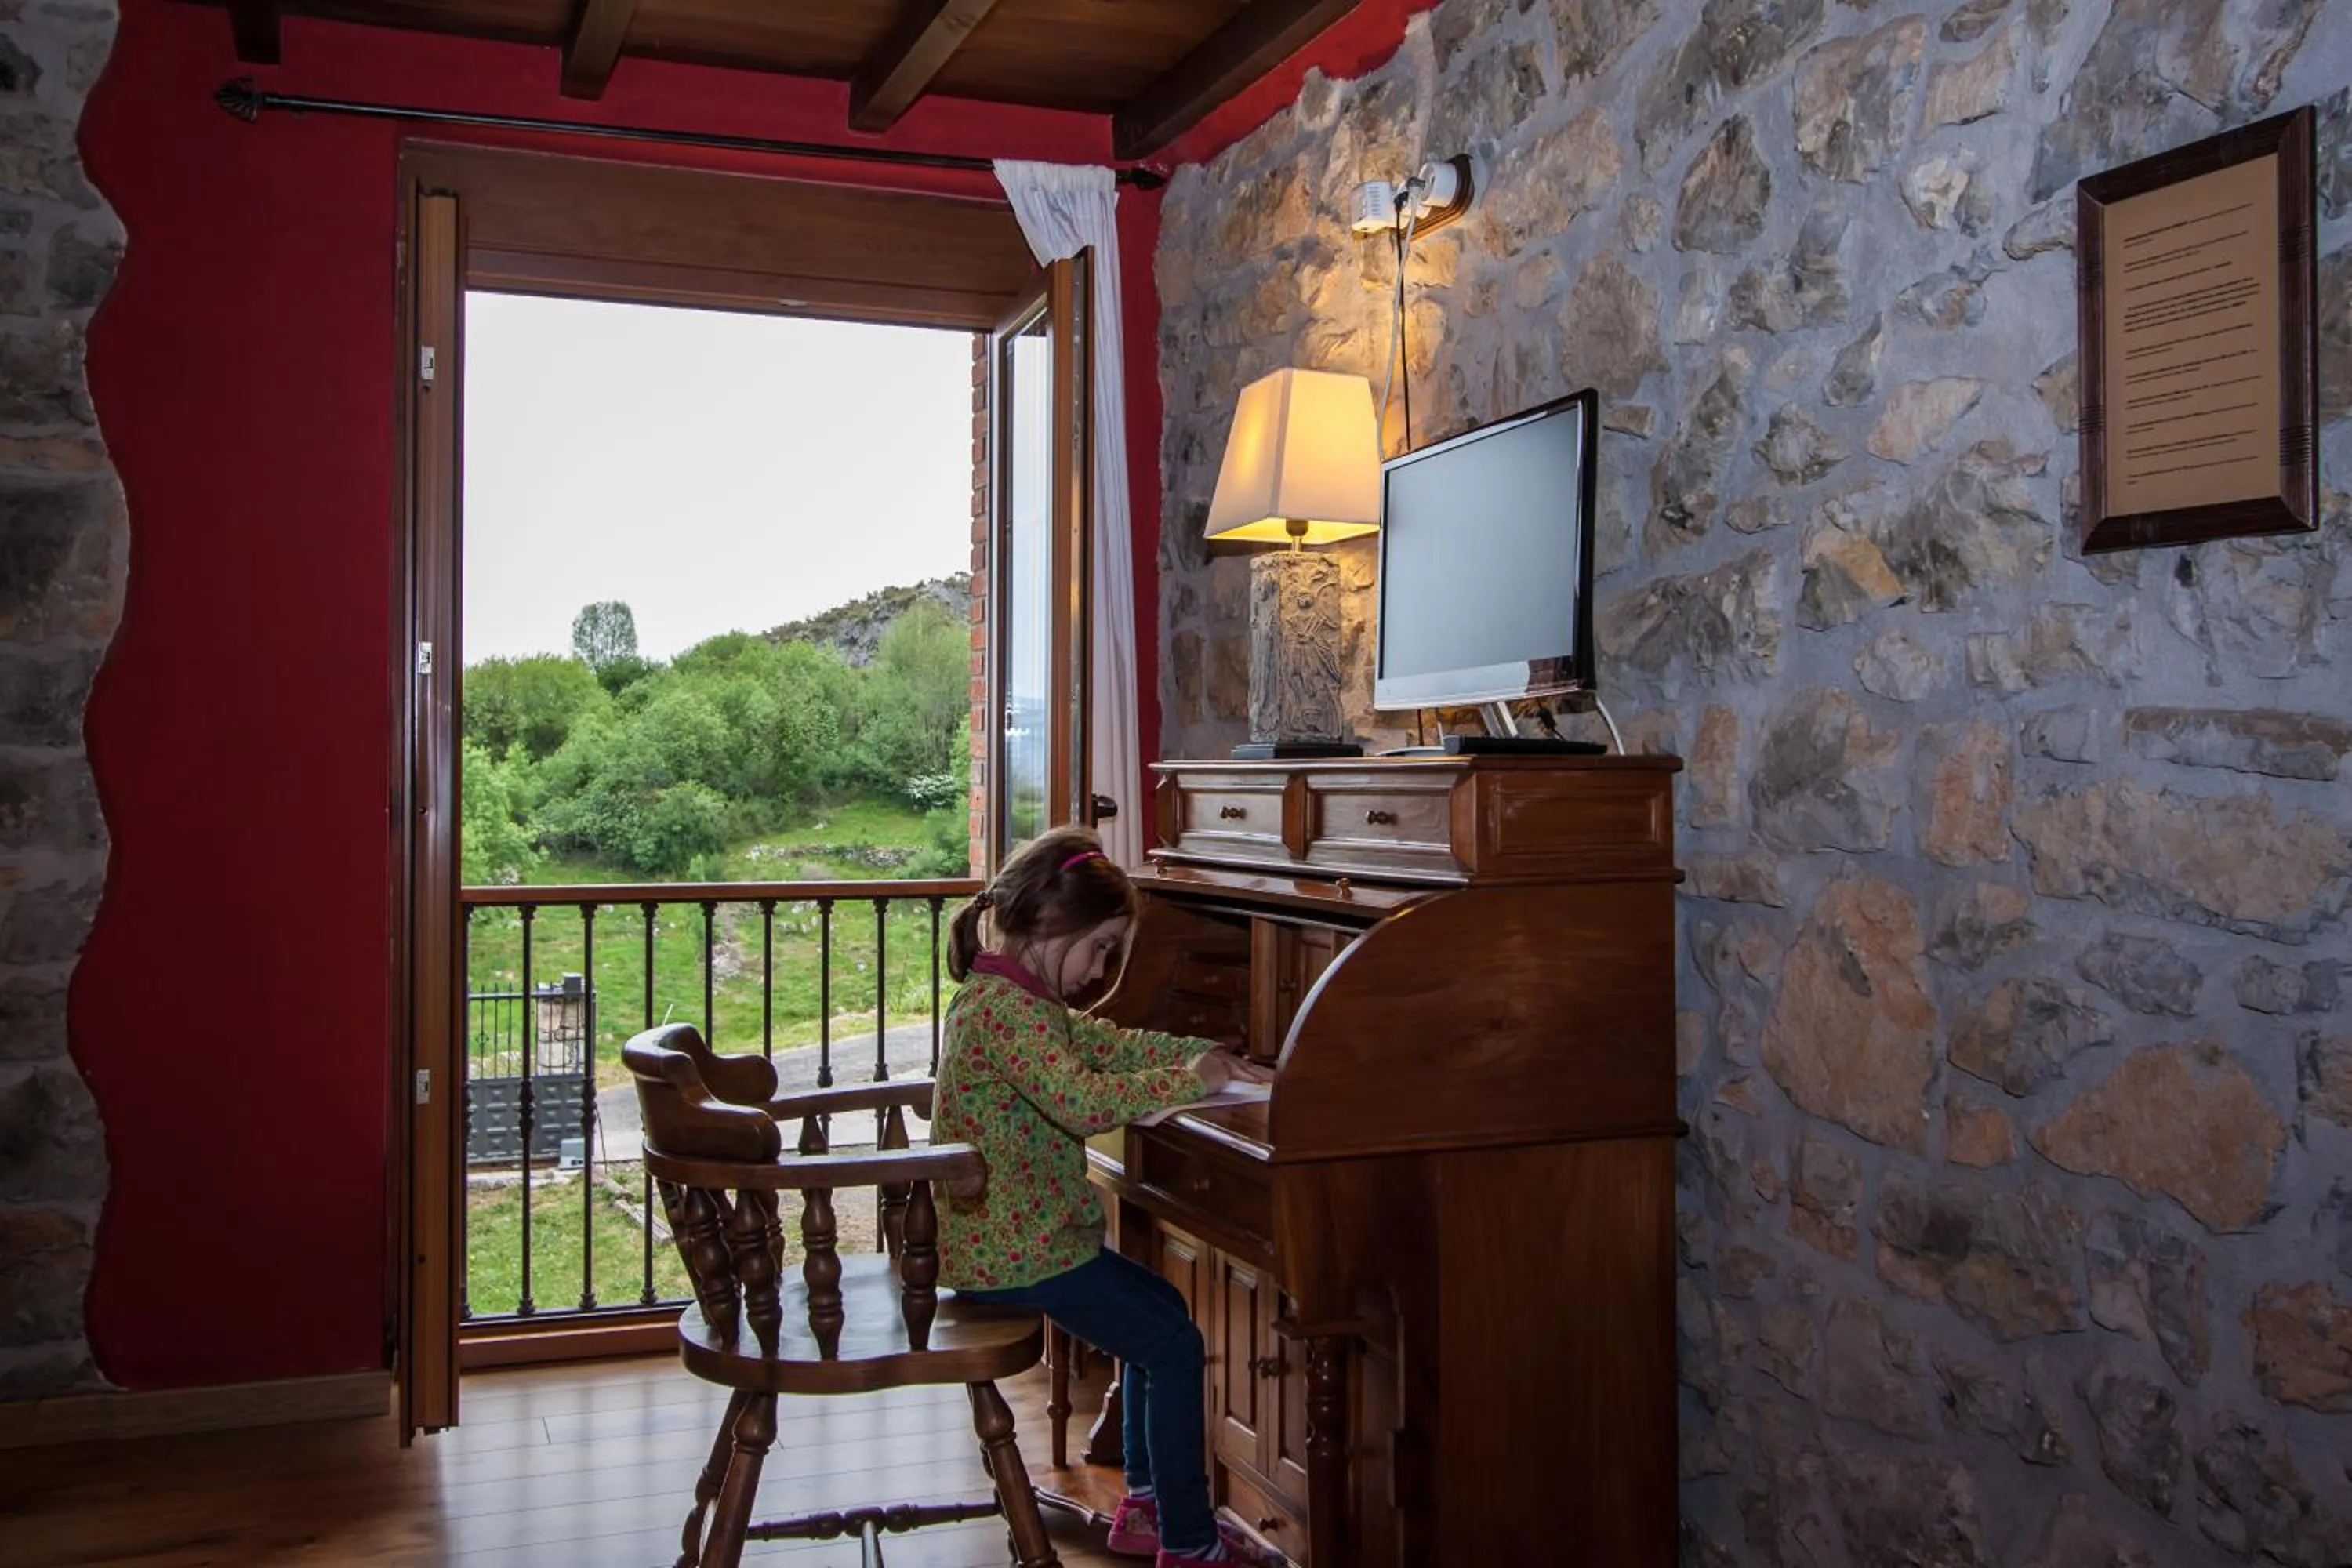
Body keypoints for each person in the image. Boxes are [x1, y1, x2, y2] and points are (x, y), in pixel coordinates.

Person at [935, 825, 1282, 1566]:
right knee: (1173, 1344)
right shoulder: (1005, 1012)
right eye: (1102, 949)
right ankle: (1189, 1541)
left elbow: (1111, 1046)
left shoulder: (1019, 999)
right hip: (1016, 1252)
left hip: (1030, 1241)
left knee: (1165, 1319)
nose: (1102, 972)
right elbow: (1080, 1100)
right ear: (1052, 926)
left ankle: (1151, 1509)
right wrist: (1193, 1084)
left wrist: (1204, 1056)